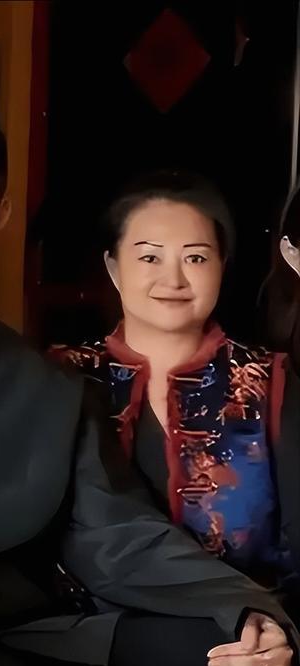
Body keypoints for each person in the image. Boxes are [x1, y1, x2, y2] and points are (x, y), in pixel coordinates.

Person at [0, 98, 294, 666]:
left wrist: (240, 605)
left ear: (1, 211)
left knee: (232, 651)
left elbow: (113, 530)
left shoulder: (47, 380)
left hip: (14, 629)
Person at [50, 169, 298, 665]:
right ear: (113, 267)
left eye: (196, 258)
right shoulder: (58, 378)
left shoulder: (271, 383)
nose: (173, 279)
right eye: (149, 257)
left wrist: (283, 636)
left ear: (222, 266)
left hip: (243, 649)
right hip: (95, 648)